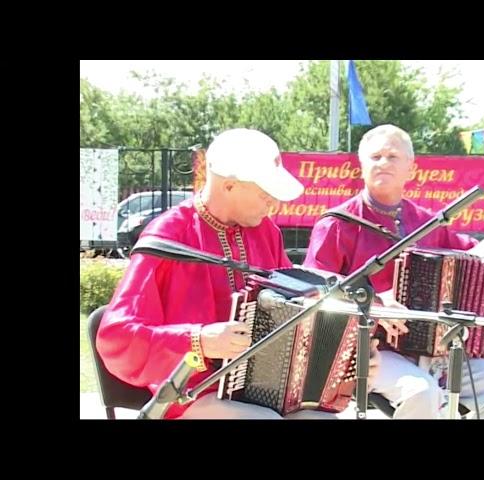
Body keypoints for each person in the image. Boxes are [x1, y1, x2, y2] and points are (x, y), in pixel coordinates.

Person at [96, 128, 380, 419]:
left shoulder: (267, 232)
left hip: (263, 392)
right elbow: (115, 338)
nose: (274, 203)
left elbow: (298, 312)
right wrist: (199, 339)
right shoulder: (168, 235)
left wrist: (349, 357)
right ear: (229, 185)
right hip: (190, 396)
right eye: (264, 193)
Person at [304, 124, 484, 419]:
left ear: (411, 168)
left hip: (435, 353)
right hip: (370, 353)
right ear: (361, 166)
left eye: (393, 156)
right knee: (421, 391)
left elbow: (478, 252)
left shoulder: (427, 223)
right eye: (375, 156)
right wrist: (373, 306)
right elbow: (312, 294)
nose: (383, 162)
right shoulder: (336, 225)